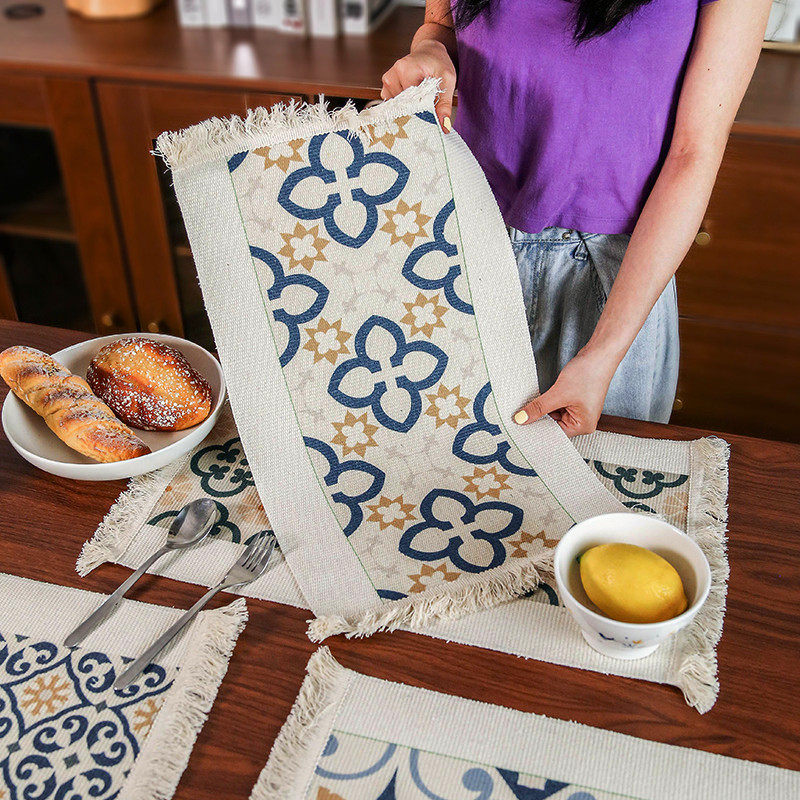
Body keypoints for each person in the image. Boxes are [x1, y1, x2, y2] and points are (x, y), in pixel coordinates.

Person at [380, 0, 771, 436]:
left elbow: (693, 154)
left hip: (610, 283)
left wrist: (602, 355)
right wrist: (432, 53)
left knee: (594, 488)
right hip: (463, 244)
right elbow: (440, 25)